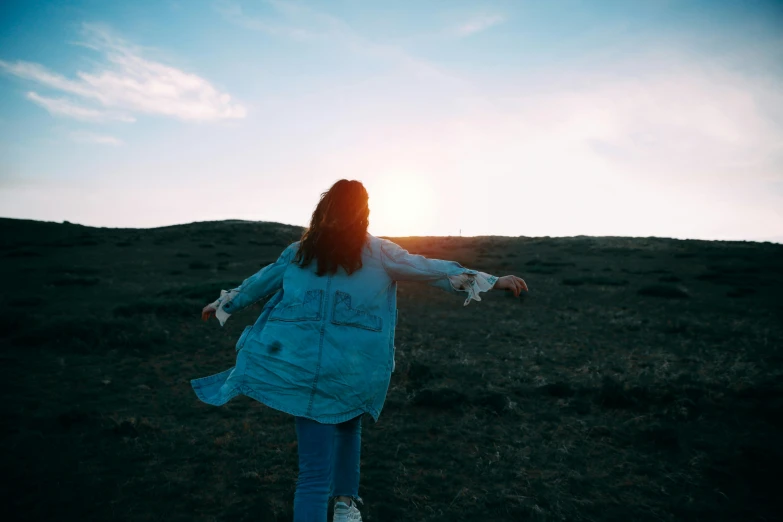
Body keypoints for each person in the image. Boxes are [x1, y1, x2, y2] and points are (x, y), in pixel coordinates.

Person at [192, 179, 528, 522]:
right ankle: (345, 505)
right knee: (348, 426)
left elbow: (258, 282)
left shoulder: (299, 252)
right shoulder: (378, 252)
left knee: (311, 476)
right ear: (363, 214)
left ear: (323, 211)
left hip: (300, 369)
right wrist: (490, 279)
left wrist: (224, 304)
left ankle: (344, 504)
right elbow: (429, 269)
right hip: (353, 370)